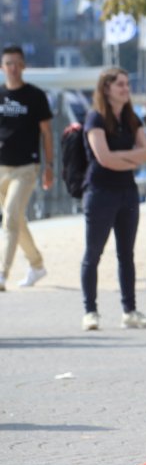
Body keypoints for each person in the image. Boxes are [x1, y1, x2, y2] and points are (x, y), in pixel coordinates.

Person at [79, 68, 146, 329]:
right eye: (120, 84)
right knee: (93, 253)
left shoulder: (132, 118)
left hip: (127, 192)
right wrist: (131, 159)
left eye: (127, 84)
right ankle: (90, 311)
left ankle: (129, 310)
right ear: (106, 88)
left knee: (126, 254)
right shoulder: (96, 118)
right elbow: (103, 158)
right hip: (100, 192)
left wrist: (120, 158)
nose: (125, 88)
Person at [0, 45, 53, 290]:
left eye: (16, 63)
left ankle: (2, 274)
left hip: (25, 168)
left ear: (23, 66)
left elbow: (47, 133)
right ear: (2, 67)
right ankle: (37, 265)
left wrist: (49, 165)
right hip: (1, 167)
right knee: (16, 220)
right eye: (8, 63)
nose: (13, 68)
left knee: (10, 217)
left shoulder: (35, 96)